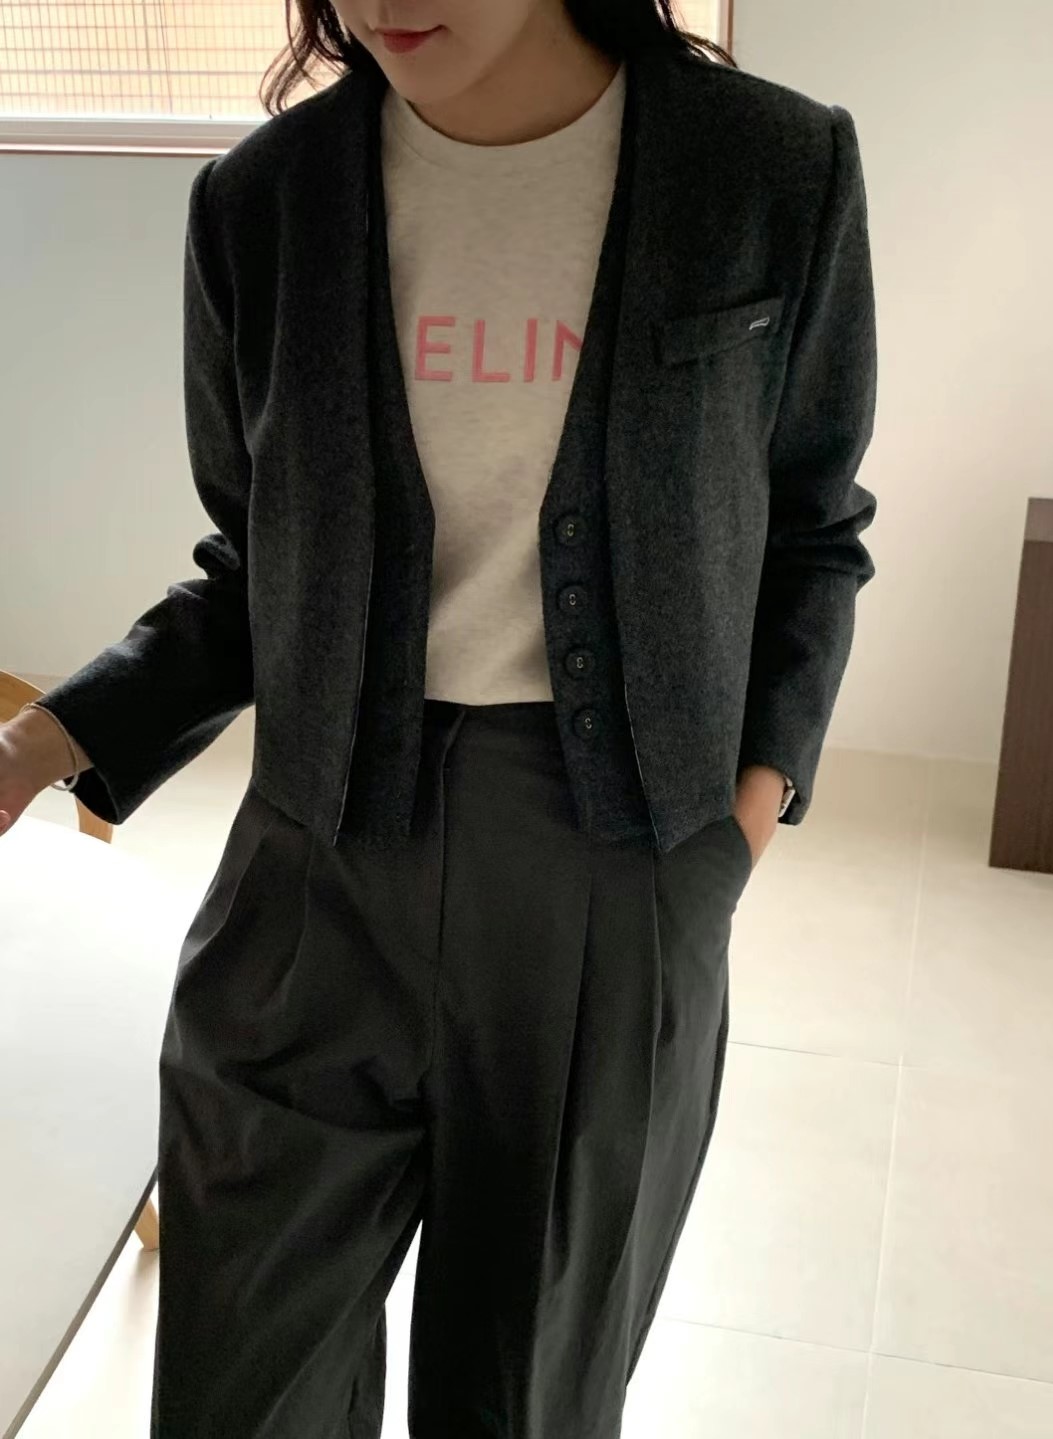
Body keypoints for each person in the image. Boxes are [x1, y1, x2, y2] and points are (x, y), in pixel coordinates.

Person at [0, 0, 878, 1434]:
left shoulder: (768, 167)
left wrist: (737, 830)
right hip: (314, 867)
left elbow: (812, 533)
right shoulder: (263, 203)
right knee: (238, 1387)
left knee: (523, 1395)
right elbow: (256, 570)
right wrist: (32, 747)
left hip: (611, 879)